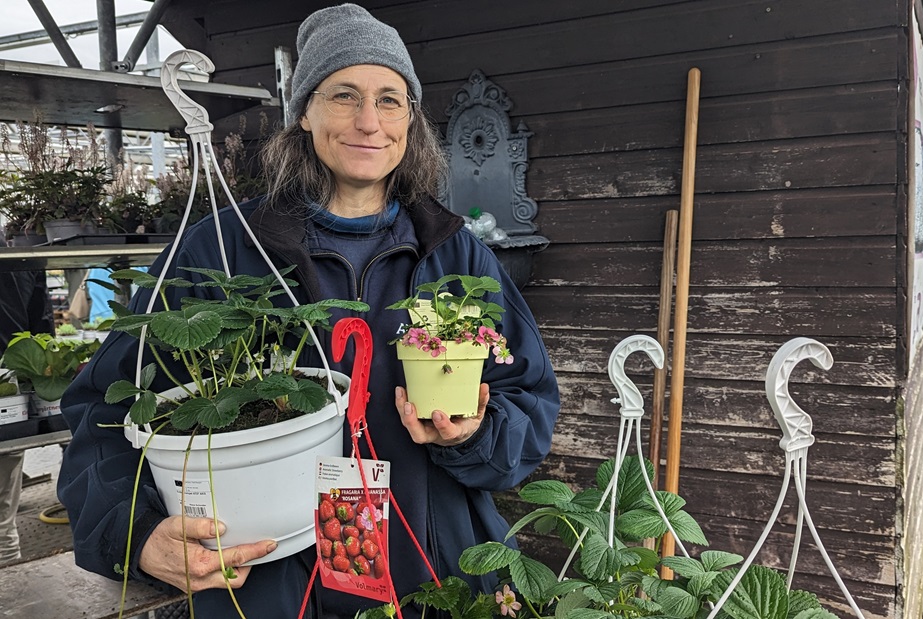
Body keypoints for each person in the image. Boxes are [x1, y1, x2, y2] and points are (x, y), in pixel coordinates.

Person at [56, 4, 559, 617]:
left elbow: (527, 403)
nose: (369, 122)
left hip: (432, 571)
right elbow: (103, 407)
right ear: (303, 116)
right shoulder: (220, 248)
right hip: (265, 580)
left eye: (390, 99)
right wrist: (135, 535)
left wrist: (473, 434)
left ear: (412, 120)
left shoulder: (456, 256)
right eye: (343, 95)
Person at [0, 230, 55, 564]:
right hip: (9, 389)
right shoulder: (20, 256)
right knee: (3, 508)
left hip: (9, 387)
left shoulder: (21, 260)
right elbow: (42, 330)